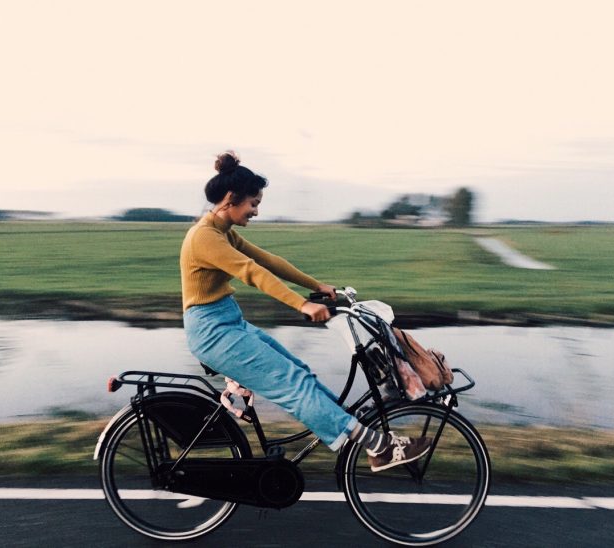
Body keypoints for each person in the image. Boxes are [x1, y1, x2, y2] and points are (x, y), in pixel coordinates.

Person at [180, 151, 429, 471]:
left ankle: (354, 434)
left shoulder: (220, 230)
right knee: (293, 385)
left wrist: (317, 285)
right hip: (212, 332)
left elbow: (268, 261)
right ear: (231, 199)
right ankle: (376, 445)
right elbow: (253, 273)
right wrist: (302, 304)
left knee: (301, 373)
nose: (256, 210)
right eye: (253, 203)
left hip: (227, 321)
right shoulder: (205, 237)